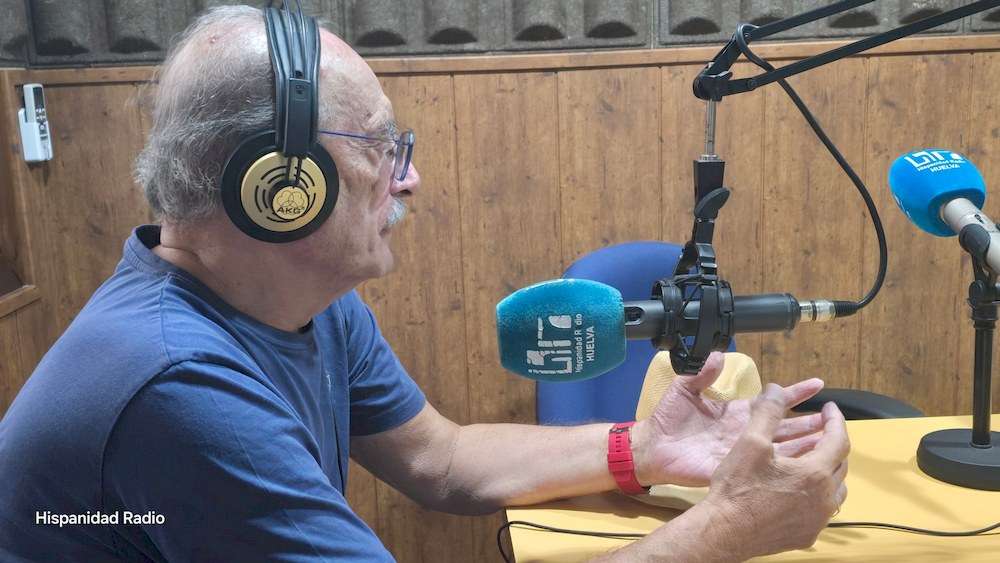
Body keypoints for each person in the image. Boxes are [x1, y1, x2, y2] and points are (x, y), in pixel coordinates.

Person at [0, 5, 849, 562]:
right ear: (277, 186)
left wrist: (643, 449)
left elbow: (440, 458)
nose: (408, 178)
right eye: (380, 147)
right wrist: (727, 527)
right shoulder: (178, 386)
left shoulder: (295, 302)